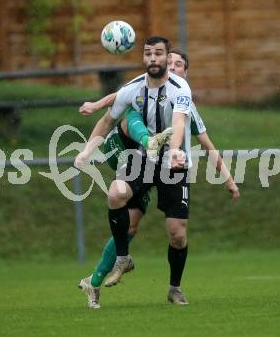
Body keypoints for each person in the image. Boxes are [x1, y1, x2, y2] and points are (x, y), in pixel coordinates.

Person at [75, 38, 239, 309]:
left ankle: (174, 287)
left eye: (175, 62)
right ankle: (113, 266)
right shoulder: (138, 86)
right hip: (141, 159)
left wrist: (227, 178)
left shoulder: (181, 92)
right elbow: (115, 106)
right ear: (145, 59)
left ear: (184, 72)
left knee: (177, 234)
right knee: (117, 195)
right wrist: (87, 142)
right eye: (151, 54)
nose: (164, 63)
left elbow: (191, 131)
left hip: (173, 166)